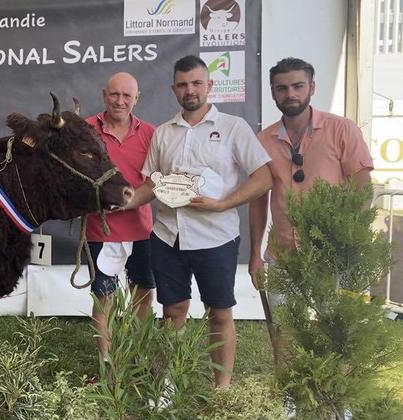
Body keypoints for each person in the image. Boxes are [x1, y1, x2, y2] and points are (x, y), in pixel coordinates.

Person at [125, 55, 272, 388]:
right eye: (182, 84)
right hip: (167, 236)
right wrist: (120, 202)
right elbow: (151, 183)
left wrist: (223, 204)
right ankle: (168, 385)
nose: (189, 90)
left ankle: (221, 390)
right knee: (172, 311)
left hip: (216, 238)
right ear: (173, 89)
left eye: (196, 83)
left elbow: (263, 178)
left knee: (219, 313)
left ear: (209, 86)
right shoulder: (163, 133)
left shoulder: (234, 127)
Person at [248, 57, 374, 356]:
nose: (290, 94)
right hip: (282, 257)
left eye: (297, 86)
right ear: (272, 92)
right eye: (282, 88)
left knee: (336, 333)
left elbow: (362, 190)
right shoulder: (262, 139)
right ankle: (292, 401)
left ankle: (338, 402)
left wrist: (348, 245)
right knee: (285, 332)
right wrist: (255, 255)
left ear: (312, 87)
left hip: (332, 256)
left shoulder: (342, 129)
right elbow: (257, 200)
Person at [85, 72, 157, 363]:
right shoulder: (86, 130)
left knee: (142, 293)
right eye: (114, 94)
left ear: (136, 99)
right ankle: (107, 361)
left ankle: (138, 354)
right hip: (100, 230)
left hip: (141, 229)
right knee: (104, 297)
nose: (120, 101)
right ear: (104, 94)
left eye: (127, 96)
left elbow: (156, 180)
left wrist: (126, 203)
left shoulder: (151, 133)